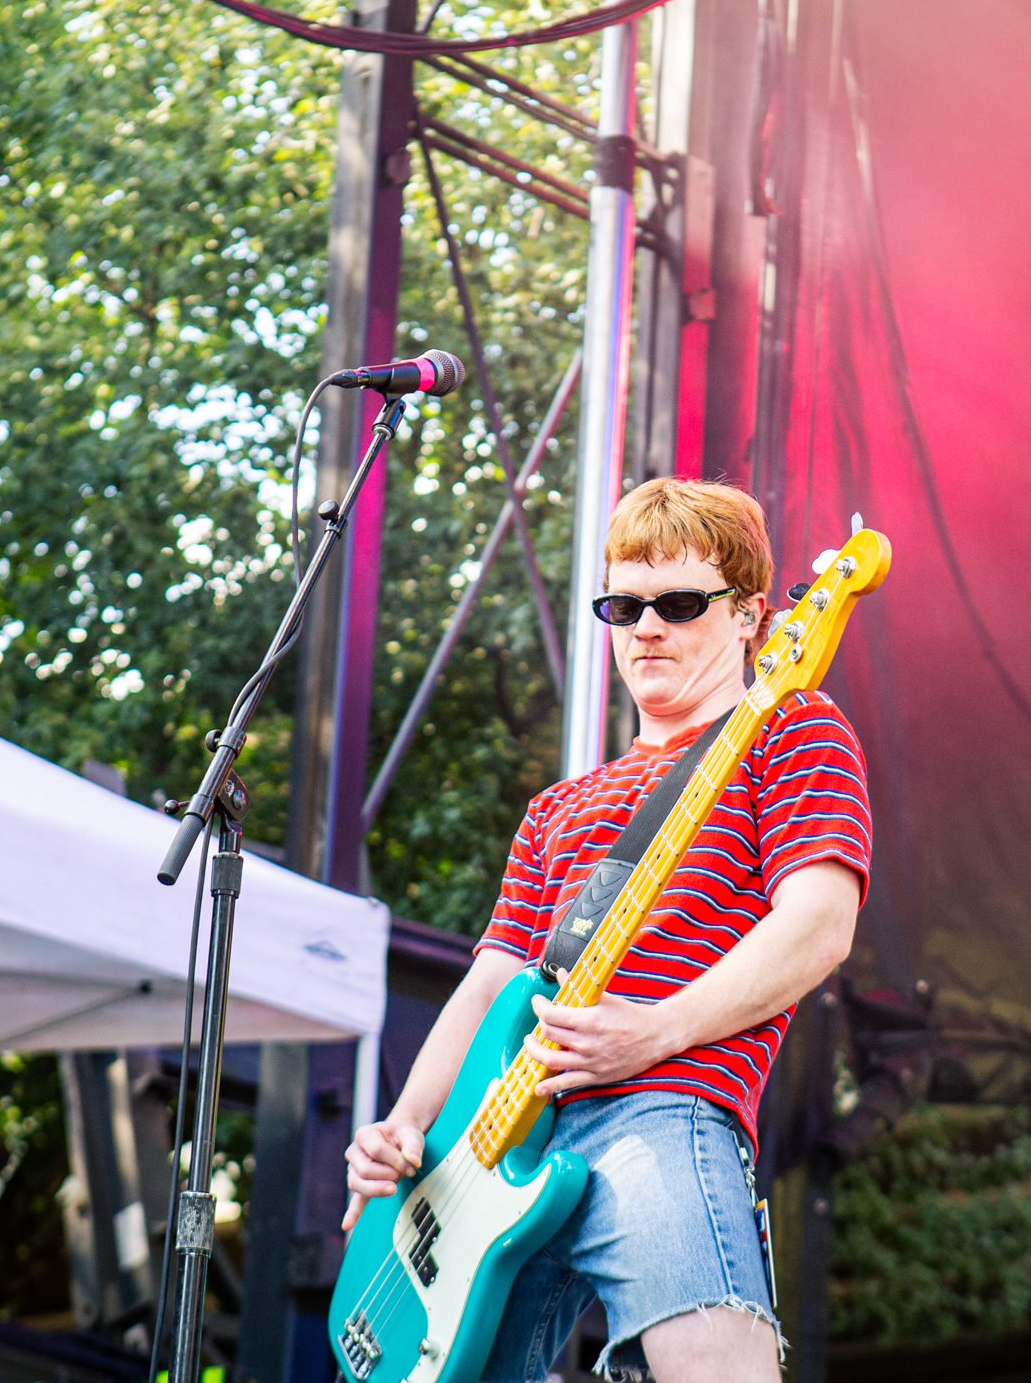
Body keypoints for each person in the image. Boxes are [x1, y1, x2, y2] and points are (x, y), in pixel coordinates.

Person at [342, 477, 872, 1383]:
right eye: (625, 605)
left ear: (750, 617)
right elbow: (493, 983)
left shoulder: (792, 728)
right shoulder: (557, 807)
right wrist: (404, 1127)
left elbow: (820, 926)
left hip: (663, 1107)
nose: (646, 629)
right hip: (494, 1149)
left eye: (677, 603)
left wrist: (658, 1030)